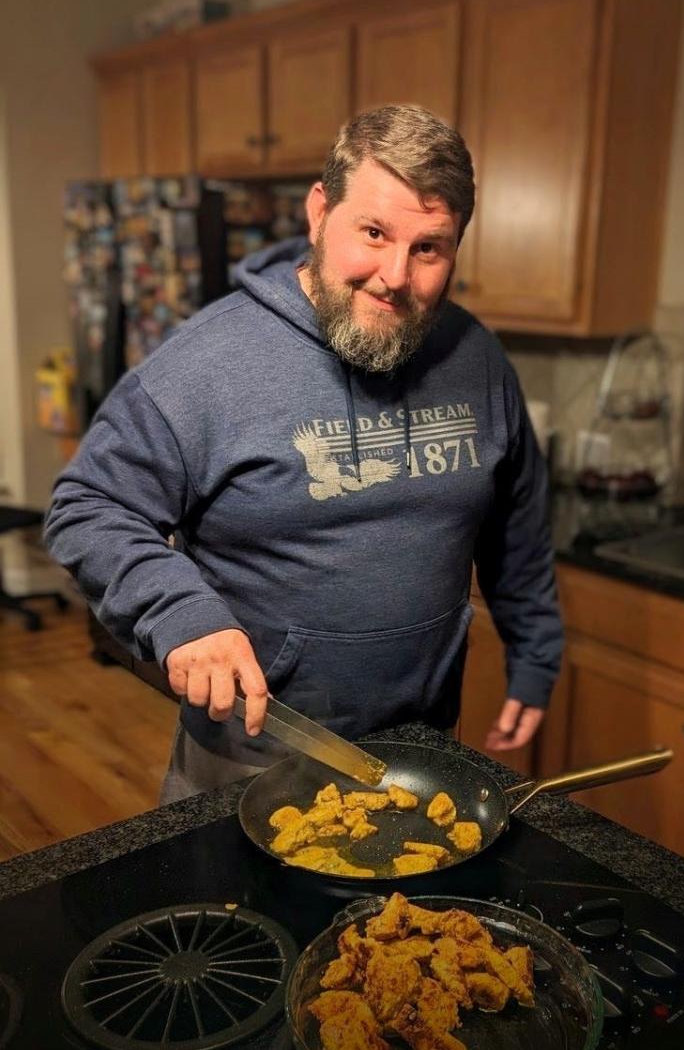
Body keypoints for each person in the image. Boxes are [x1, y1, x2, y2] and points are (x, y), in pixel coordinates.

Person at [45, 104, 563, 803]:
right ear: (321, 212)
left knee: (410, 919)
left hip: (422, 752)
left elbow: (517, 525)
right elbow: (87, 507)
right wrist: (179, 613)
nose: (394, 275)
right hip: (251, 756)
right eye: (373, 233)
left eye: (429, 249)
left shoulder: (479, 361)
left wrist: (534, 654)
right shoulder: (208, 364)